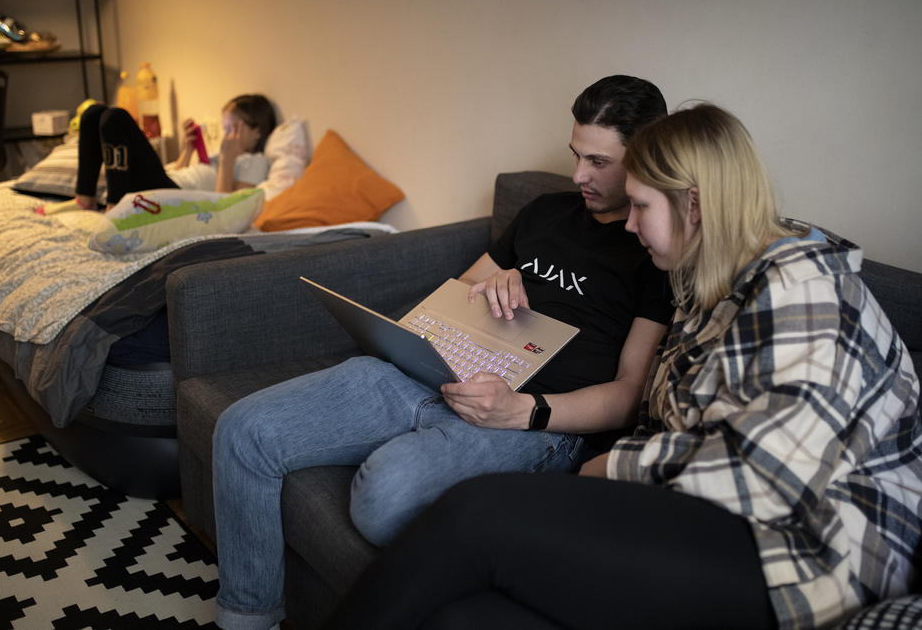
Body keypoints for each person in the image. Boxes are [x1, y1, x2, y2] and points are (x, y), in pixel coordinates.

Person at [322, 104, 922, 630]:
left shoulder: (802, 289)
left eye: (639, 206)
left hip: (806, 555)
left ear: (694, 203)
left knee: (475, 513)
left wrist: (615, 466)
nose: (629, 227)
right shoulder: (706, 285)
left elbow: (765, 476)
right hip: (710, 517)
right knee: (463, 618)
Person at [212, 74, 675, 630]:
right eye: (577, 155)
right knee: (242, 429)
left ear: (648, 154)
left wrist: (523, 411)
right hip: (430, 372)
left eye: (599, 162)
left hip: (526, 423)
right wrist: (491, 285)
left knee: (383, 498)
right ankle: (246, 618)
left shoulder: (655, 247)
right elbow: (452, 302)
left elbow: (630, 395)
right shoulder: (543, 213)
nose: (579, 176)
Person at [46, 94, 276, 213]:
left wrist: (227, 160)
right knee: (93, 114)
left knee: (115, 118)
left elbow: (228, 206)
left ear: (257, 131)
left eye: (233, 129)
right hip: (168, 182)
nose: (227, 135)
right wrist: (188, 149)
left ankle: (115, 207)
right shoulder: (221, 153)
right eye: (226, 128)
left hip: (175, 198)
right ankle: (84, 198)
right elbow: (180, 174)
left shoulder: (254, 161)